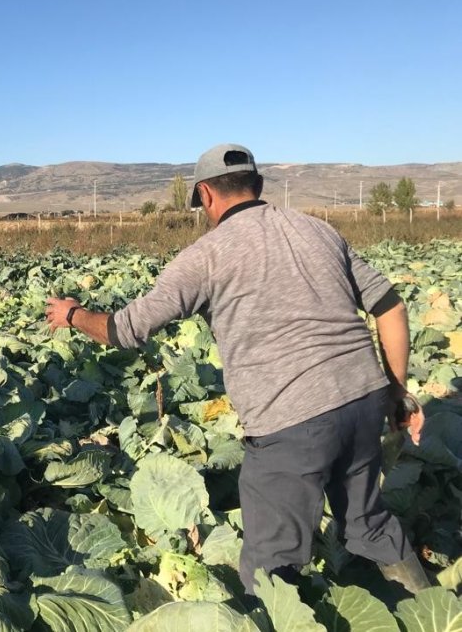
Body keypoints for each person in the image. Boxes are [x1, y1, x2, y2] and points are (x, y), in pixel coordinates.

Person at [45, 144, 429, 597]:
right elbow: (389, 305)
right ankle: (434, 617)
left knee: (272, 564)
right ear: (259, 187)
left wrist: (72, 315)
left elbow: (125, 330)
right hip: (363, 399)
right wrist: (397, 391)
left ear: (205, 195)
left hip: (292, 418)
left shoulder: (205, 256)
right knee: (368, 522)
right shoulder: (319, 231)